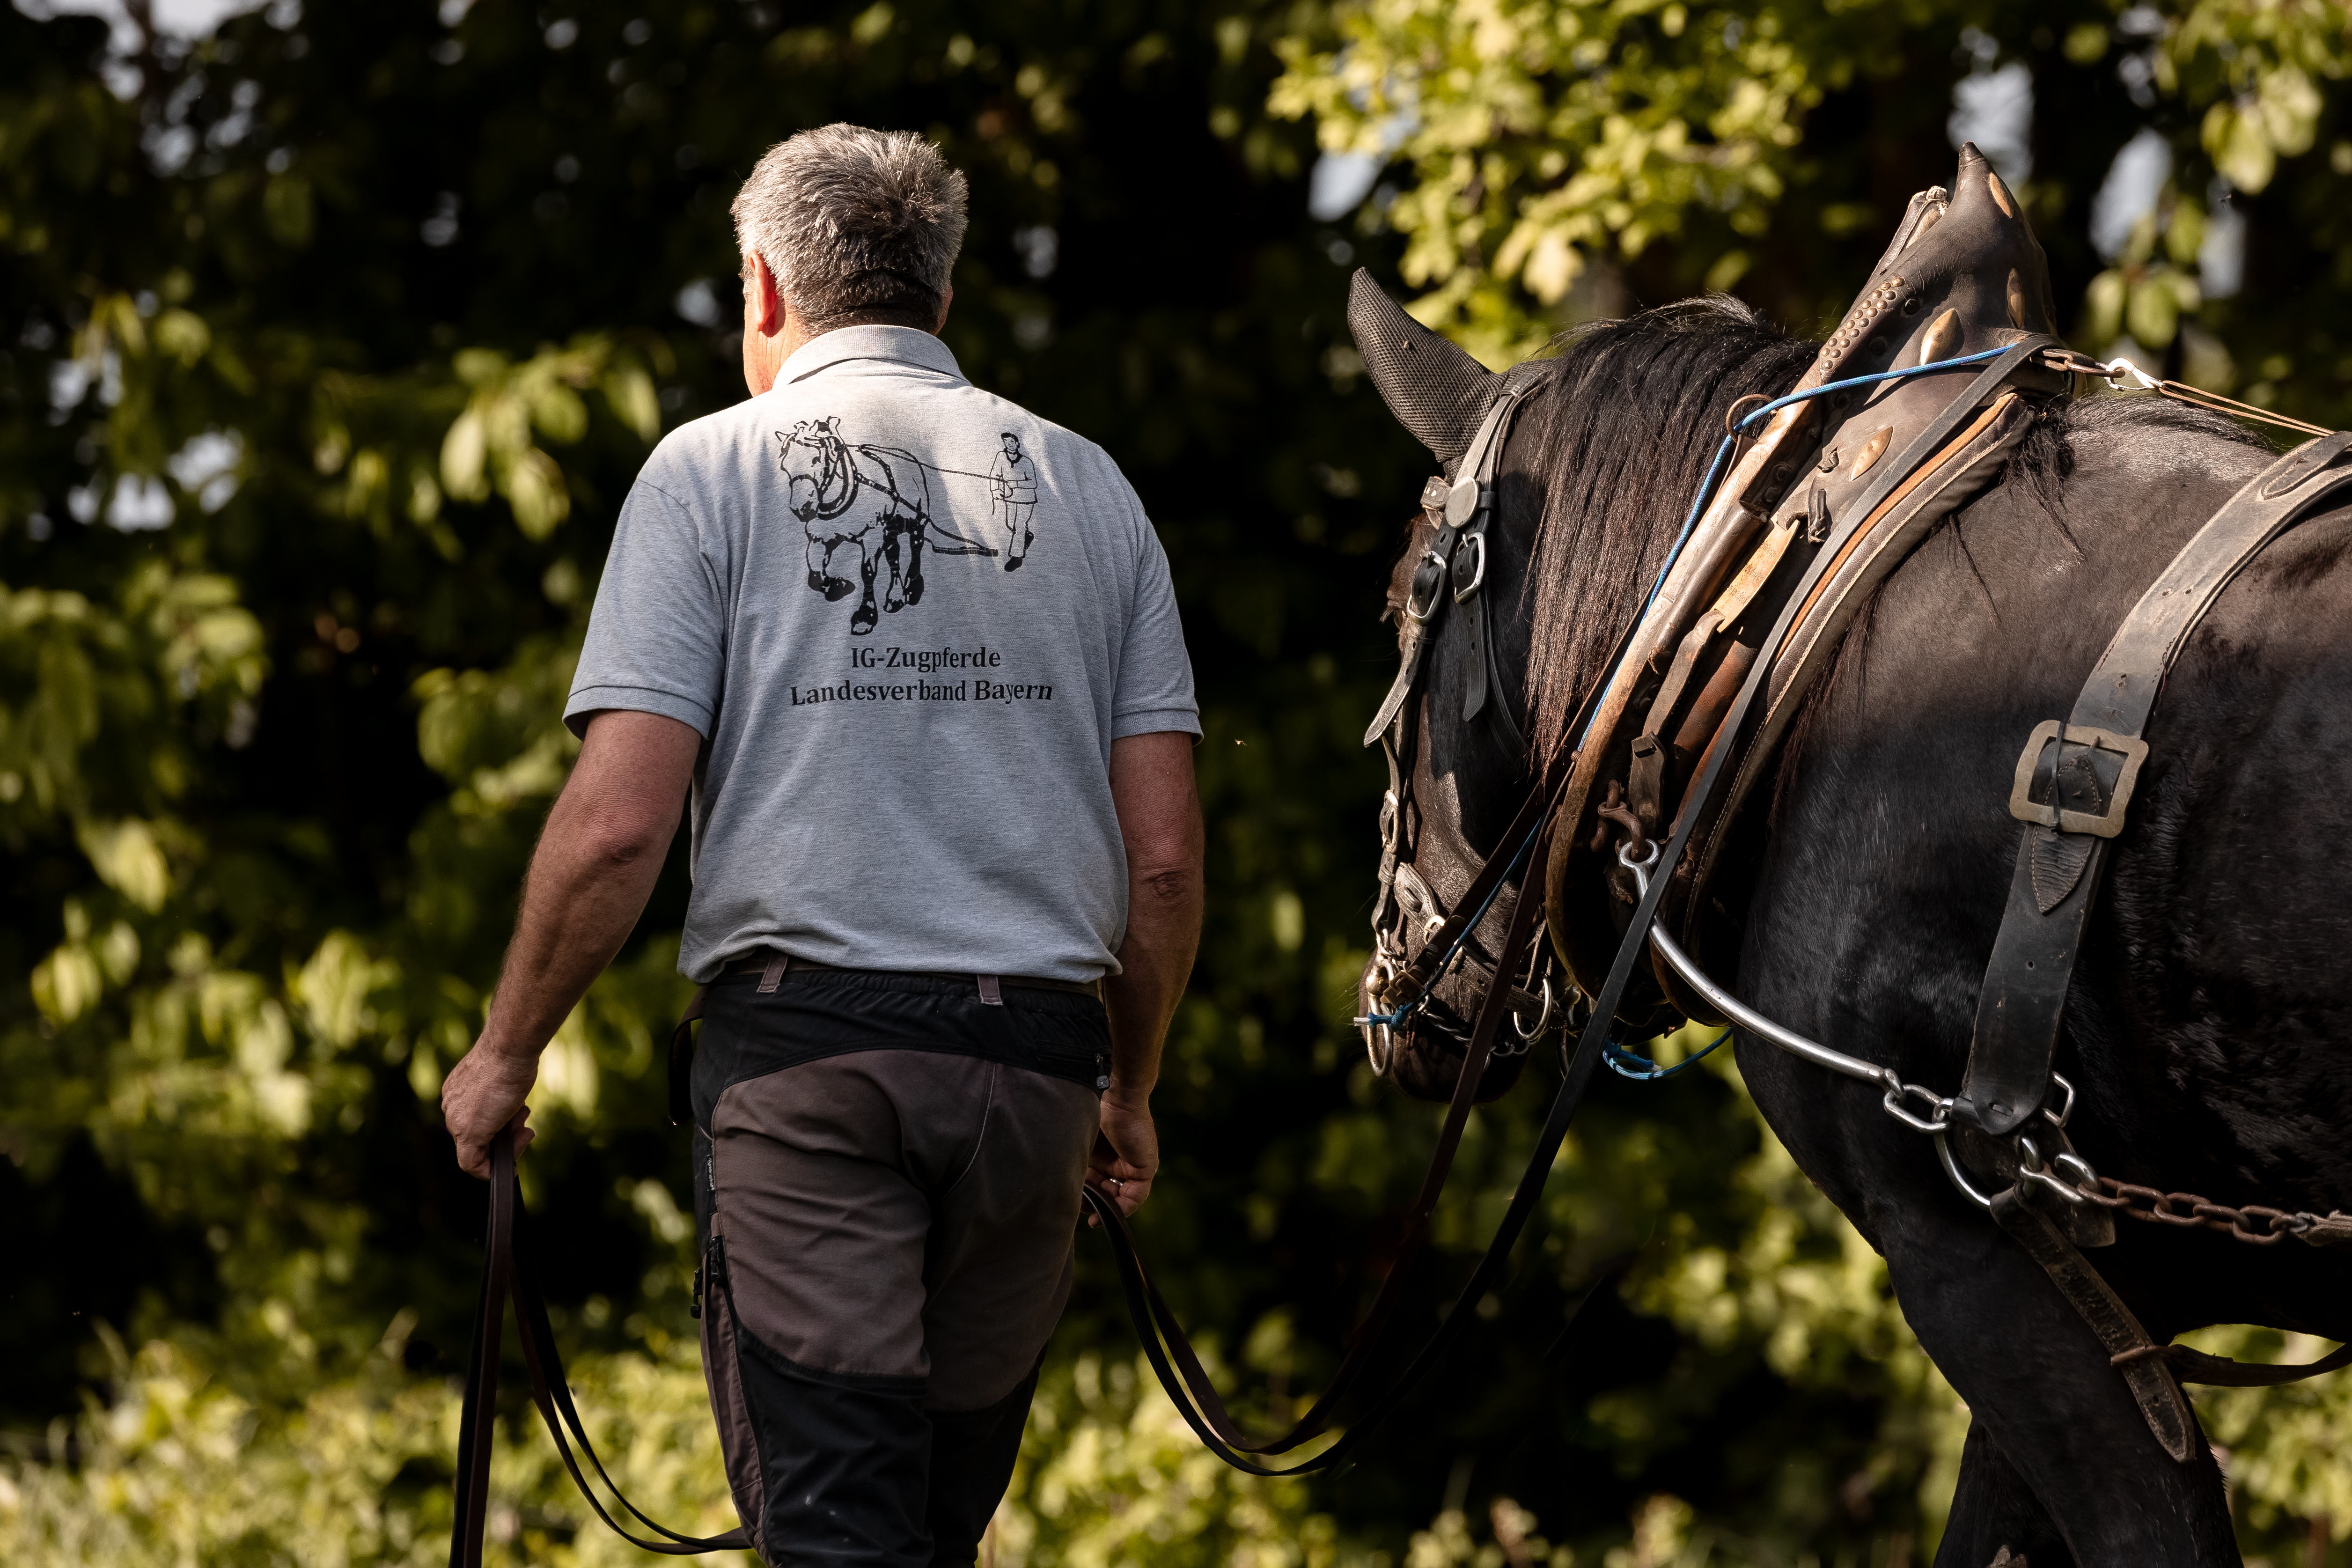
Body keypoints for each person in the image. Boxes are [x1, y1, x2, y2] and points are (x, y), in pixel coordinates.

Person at [438, 123, 1203, 1568]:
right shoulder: (1093, 491)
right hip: (1034, 1076)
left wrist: (506, 1052)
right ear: (944, 299)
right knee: (933, 1535)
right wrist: (1132, 1086)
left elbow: (615, 826)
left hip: (812, 1065)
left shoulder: (707, 473)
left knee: (839, 1537)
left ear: (765, 290)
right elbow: (1160, 861)